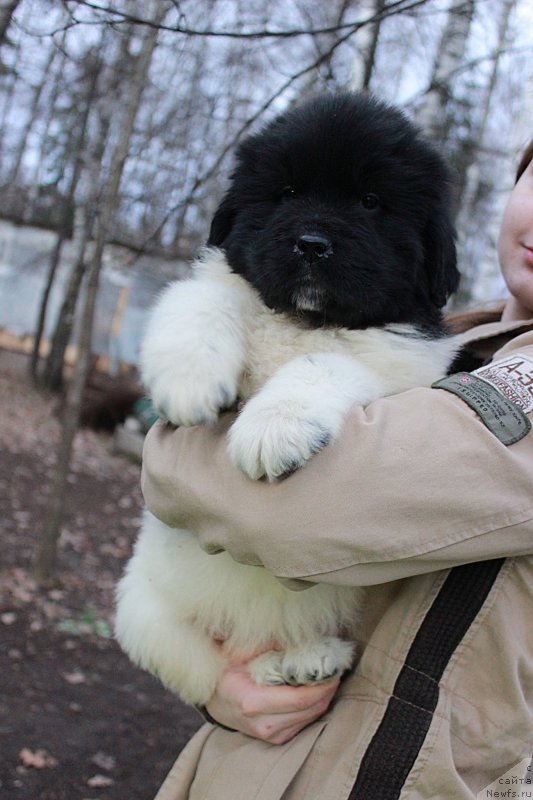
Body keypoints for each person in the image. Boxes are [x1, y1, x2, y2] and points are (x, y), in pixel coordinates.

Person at [142, 139, 533, 800]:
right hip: (249, 765)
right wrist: (221, 687)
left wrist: (170, 450)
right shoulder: (461, 341)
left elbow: (284, 511)